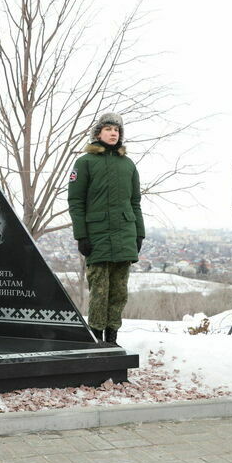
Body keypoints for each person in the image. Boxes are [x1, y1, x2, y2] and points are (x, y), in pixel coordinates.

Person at [67, 113, 145, 345]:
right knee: (99, 291)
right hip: (97, 237)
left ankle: (112, 338)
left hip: (125, 235)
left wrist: (139, 234)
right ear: (98, 133)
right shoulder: (84, 163)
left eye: (117, 130)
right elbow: (76, 202)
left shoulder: (128, 164)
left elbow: (135, 202)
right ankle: (96, 338)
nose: (113, 133)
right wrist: (81, 235)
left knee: (119, 292)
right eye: (108, 129)